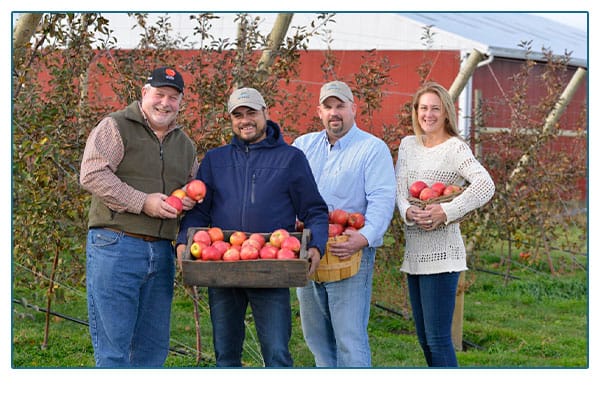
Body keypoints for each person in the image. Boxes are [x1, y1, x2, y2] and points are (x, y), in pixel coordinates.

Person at [176, 87, 329, 367]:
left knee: (277, 354)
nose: (245, 120)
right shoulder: (215, 160)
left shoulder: (291, 159)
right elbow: (199, 210)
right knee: (226, 354)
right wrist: (182, 242)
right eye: (238, 115)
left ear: (265, 113)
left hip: (271, 266)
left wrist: (317, 244)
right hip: (221, 266)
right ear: (231, 120)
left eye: (251, 113)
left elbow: (315, 210)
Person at [80, 67, 199, 367]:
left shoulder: (185, 144)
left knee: (151, 351)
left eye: (173, 97)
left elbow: (191, 188)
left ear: (181, 102)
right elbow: (92, 174)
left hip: (161, 251)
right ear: (144, 93)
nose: (165, 103)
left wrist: (189, 198)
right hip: (116, 245)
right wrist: (143, 202)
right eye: (159, 94)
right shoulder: (116, 126)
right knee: (114, 350)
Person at [292, 80, 397, 367]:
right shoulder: (303, 146)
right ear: (319, 111)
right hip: (309, 249)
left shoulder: (372, 149)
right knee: (316, 337)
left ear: (354, 108)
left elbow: (382, 198)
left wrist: (364, 237)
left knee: (349, 339)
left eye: (340, 106)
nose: (334, 112)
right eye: (328, 107)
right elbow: (287, 192)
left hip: (348, 251)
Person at [395, 81, 495, 367]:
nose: (429, 114)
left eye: (435, 109)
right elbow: (400, 190)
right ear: (415, 112)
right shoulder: (407, 145)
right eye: (423, 108)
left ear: (446, 113)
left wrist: (446, 211)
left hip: (442, 257)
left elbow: (485, 185)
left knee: (438, 339)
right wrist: (407, 213)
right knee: (424, 338)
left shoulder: (455, 149)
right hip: (414, 254)